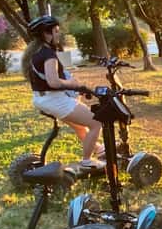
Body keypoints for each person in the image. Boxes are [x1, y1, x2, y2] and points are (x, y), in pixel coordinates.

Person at [21, 16, 104, 169]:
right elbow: (53, 82)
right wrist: (72, 84)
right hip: (55, 100)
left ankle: (98, 149)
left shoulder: (35, 53)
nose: (59, 34)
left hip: (41, 99)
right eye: (56, 31)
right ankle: (87, 161)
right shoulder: (48, 55)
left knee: (80, 126)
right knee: (96, 122)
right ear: (47, 34)